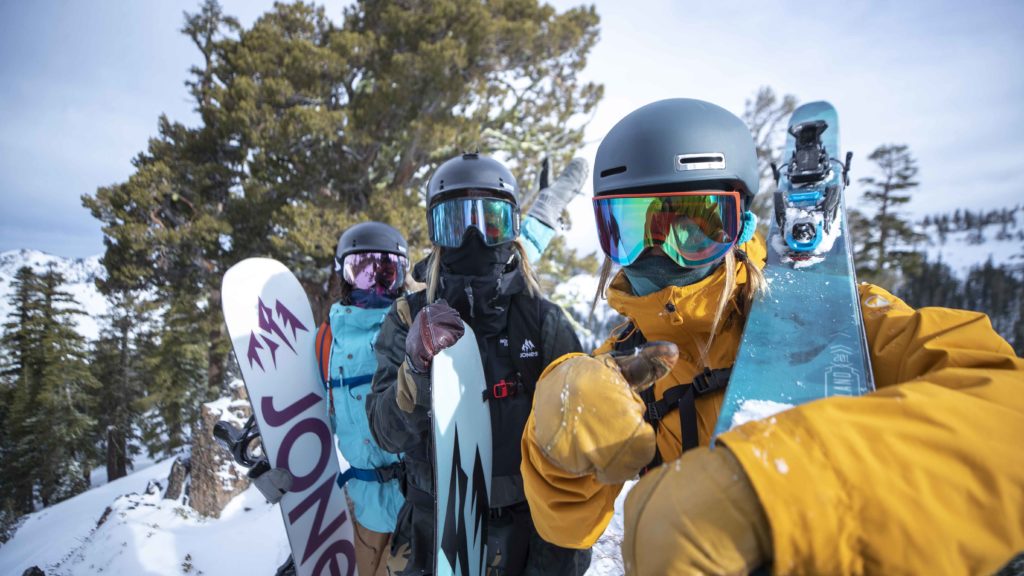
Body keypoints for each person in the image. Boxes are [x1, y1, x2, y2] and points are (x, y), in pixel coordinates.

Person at [520, 98, 1024, 575]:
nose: (664, 255)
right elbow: (571, 528)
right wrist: (554, 454)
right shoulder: (623, 368)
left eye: (694, 227)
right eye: (633, 230)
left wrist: (769, 491)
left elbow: (1007, 410)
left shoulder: (839, 318)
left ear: (742, 225)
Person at [366, 152, 593, 575]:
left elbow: (578, 448)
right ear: (436, 234)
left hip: (521, 534)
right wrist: (415, 369)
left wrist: (557, 560)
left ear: (512, 229)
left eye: (491, 222)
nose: (473, 239)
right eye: (455, 223)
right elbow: (384, 433)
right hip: (429, 533)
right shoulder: (406, 318)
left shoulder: (540, 322)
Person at [314, 222, 412, 576]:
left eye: (386, 272)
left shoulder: (416, 326)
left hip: (418, 503)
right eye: (363, 271)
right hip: (365, 508)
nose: (375, 284)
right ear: (344, 276)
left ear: (401, 276)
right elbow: (305, 407)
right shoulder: (326, 342)